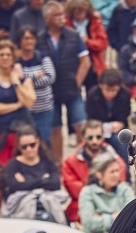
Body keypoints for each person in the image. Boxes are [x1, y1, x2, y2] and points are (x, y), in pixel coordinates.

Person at [39, 1, 92, 163]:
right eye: (57, 15)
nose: (61, 18)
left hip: (72, 88)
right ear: (47, 18)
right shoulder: (40, 38)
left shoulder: (73, 35)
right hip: (50, 91)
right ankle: (59, 163)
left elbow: (85, 62)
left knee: (80, 125)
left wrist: (76, 82)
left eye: (62, 14)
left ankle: (82, 160)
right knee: (55, 128)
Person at [0, 40, 36, 165]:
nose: (5, 58)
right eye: (1, 55)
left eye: (8, 55)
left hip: (21, 133)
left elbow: (30, 102)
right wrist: (17, 105)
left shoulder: (23, 78)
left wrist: (16, 83)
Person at [2, 126, 71, 223]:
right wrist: (43, 180)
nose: (29, 149)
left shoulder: (48, 161)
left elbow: (55, 184)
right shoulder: (12, 165)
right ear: (18, 147)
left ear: (38, 142)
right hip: (22, 210)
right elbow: (14, 187)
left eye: (32, 145)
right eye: (24, 147)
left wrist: (27, 182)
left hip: (50, 206)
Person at [64, 120, 128, 223]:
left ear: (103, 137)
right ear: (83, 138)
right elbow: (75, 191)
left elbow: (120, 184)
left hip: (112, 206)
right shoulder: (70, 162)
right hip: (82, 209)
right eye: (90, 137)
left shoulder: (116, 160)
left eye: (98, 137)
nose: (95, 141)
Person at [79, 152, 136, 233]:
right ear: (99, 175)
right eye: (112, 172)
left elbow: (132, 218)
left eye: (117, 170)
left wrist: (101, 216)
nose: (116, 175)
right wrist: (114, 217)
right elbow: (89, 222)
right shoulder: (88, 192)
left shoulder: (125, 190)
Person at [15, 26, 57, 144]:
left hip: (44, 109)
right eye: (26, 38)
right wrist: (35, 74)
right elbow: (15, 79)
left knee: (44, 141)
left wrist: (26, 78)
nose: (29, 42)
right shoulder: (15, 59)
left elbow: (50, 78)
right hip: (24, 110)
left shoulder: (43, 57)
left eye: (32, 38)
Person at [85, 68, 132, 163]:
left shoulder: (125, 94)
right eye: (107, 90)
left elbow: (125, 114)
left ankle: (125, 173)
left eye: (114, 90)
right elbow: (91, 118)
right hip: (97, 129)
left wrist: (120, 123)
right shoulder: (93, 95)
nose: (110, 94)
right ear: (101, 86)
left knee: (120, 141)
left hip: (118, 130)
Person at [65, 0, 110, 88]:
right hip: (73, 65)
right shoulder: (67, 23)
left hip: (93, 65)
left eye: (81, 12)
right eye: (76, 12)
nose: (79, 16)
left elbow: (102, 44)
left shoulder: (95, 22)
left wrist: (87, 41)